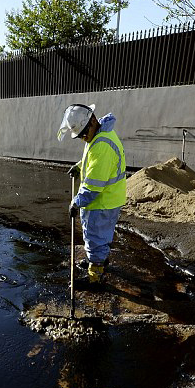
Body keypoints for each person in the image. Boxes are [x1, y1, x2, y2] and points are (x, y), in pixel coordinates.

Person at [58, 103, 127, 286]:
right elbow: (92, 160)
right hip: (110, 198)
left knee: (95, 238)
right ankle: (100, 262)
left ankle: (95, 277)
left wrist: (76, 203)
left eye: (83, 134)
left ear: (93, 121)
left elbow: (93, 187)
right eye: (79, 136)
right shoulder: (99, 135)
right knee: (102, 235)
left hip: (102, 202)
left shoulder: (101, 145)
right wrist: (80, 166)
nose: (82, 139)